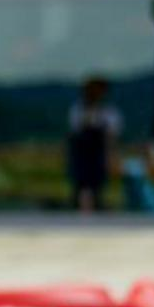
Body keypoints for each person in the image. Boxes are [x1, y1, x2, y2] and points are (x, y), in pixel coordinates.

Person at [65, 74, 120, 214]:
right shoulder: (78, 110)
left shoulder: (108, 112)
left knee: (97, 192)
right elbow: (75, 131)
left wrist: (111, 158)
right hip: (82, 159)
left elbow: (111, 138)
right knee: (81, 192)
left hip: (98, 159)